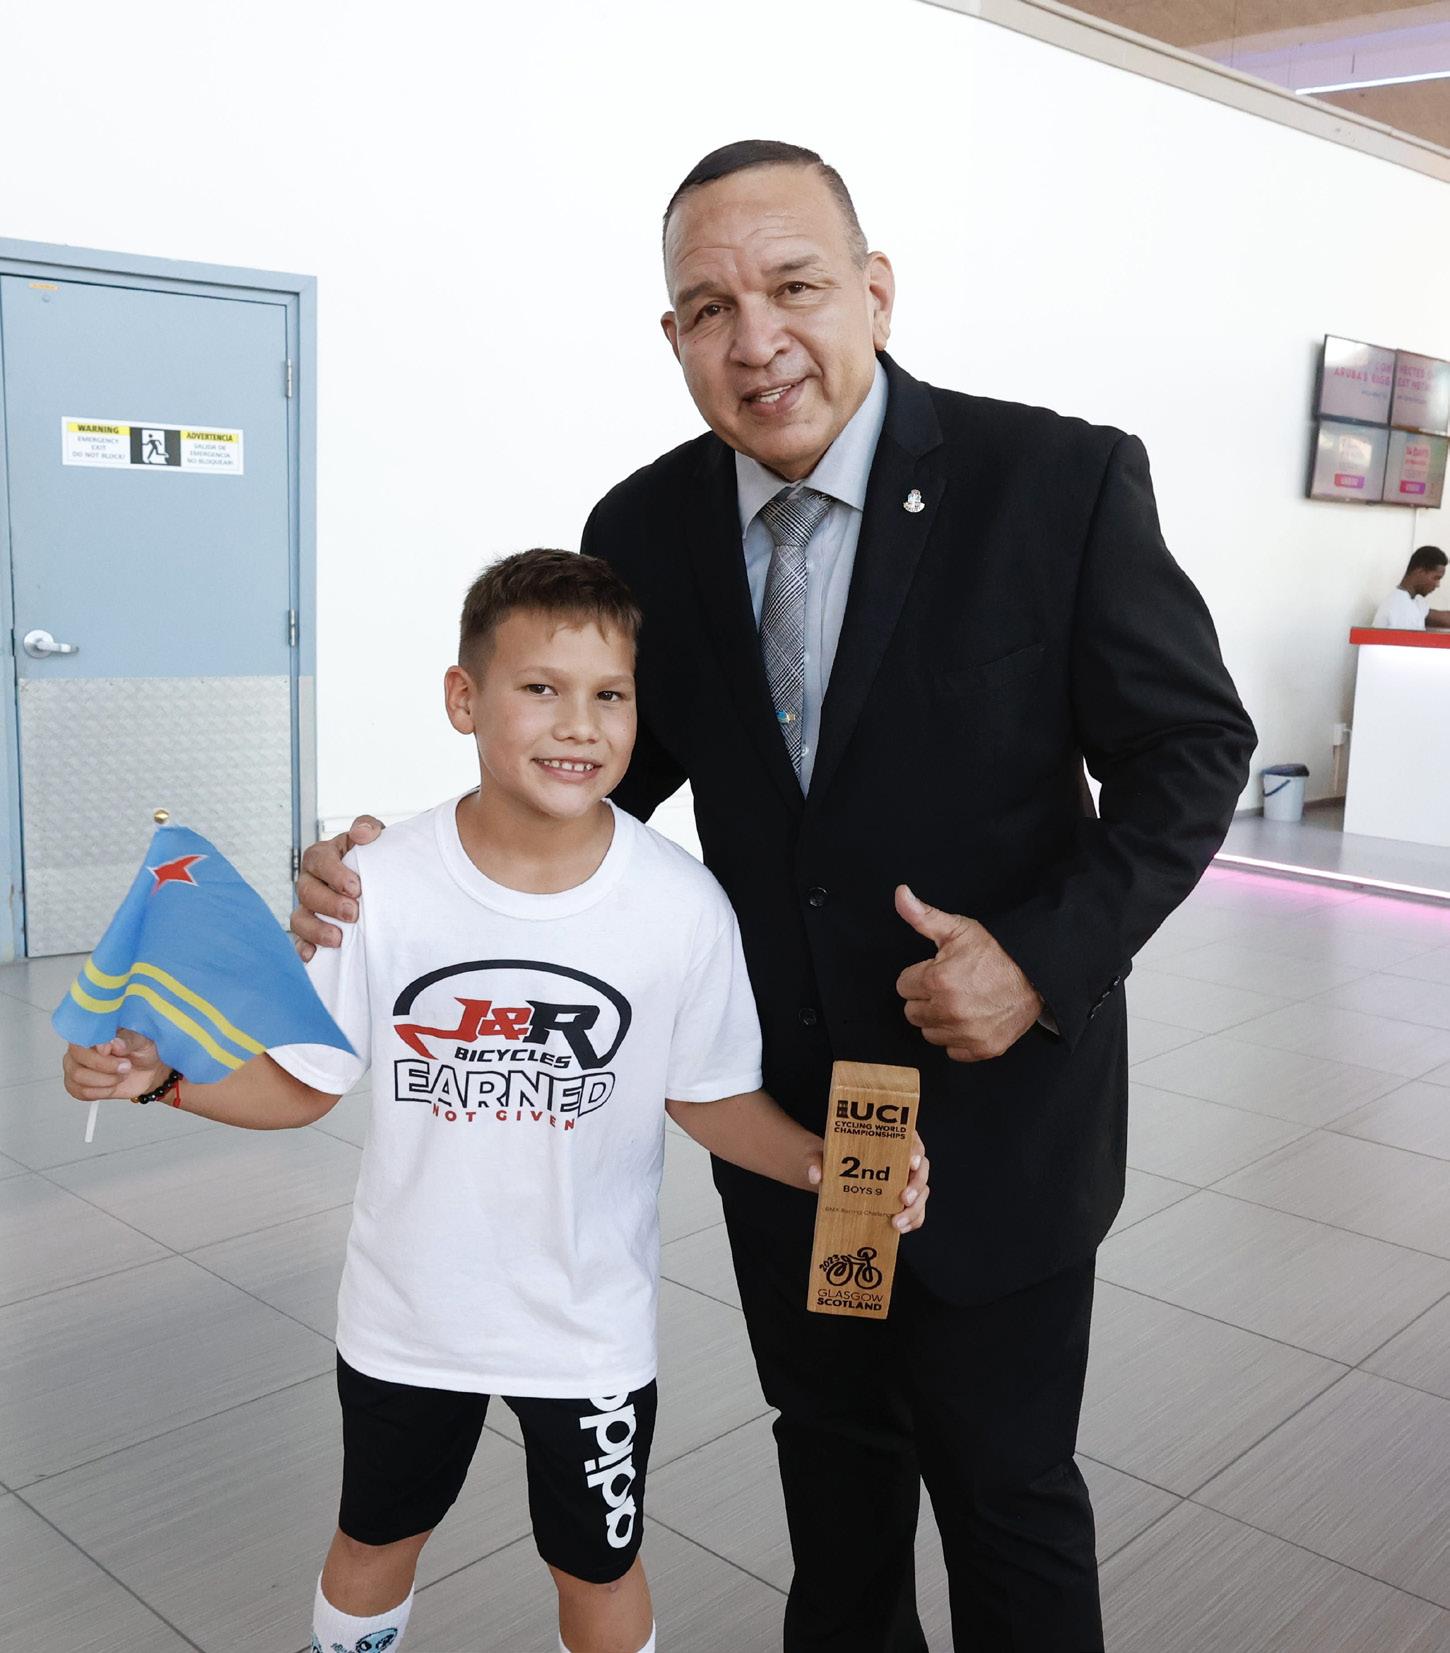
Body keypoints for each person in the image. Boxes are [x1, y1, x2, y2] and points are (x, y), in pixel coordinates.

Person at [294, 143, 1256, 1651]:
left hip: (992, 1107)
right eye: (708, 308)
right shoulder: (646, 527)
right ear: (672, 335)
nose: (757, 340)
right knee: (836, 1475)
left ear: (874, 290)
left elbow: (1189, 749)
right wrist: (410, 865)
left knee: (1005, 1493)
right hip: (790, 1115)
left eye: (795, 286)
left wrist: (1038, 957)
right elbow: (601, 778)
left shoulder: (1053, 483)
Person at [62, 547, 932, 1653]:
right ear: (462, 699)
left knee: (597, 1567)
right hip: (409, 1317)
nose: (580, 725)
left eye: (609, 695)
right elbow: (303, 1087)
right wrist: (164, 1080)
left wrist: (822, 1165)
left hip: (587, 1329)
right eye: (541, 688)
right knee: (374, 1541)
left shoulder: (680, 906)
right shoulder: (376, 887)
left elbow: (706, 1096)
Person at [1371, 544, 1450, 630]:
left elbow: (1444, 619)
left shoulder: (1415, 602)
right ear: (1420, 572)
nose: (1437, 585)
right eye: (1436, 578)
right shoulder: (1400, 608)